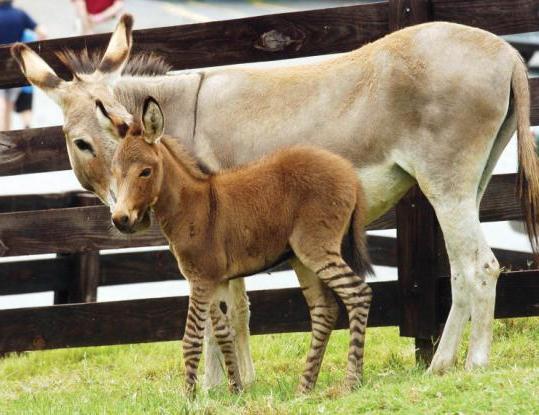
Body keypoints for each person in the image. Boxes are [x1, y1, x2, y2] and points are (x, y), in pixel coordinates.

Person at [0, 0, 46, 131]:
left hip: (0, 68)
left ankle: (4, 139)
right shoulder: (20, 15)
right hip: (16, 67)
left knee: (3, 105)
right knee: (7, 105)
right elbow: (42, 32)